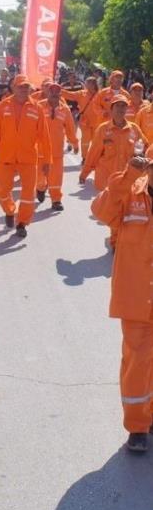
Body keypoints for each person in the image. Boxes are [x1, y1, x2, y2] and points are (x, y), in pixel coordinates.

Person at [91, 155, 153, 452]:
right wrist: (128, 175)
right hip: (136, 296)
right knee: (137, 362)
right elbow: (101, 211)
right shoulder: (130, 192)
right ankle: (137, 427)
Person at [0, 74, 52, 238]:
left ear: (30, 89)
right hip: (6, 157)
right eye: (20, 86)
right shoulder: (3, 106)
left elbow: (45, 136)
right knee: (1, 191)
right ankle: (9, 210)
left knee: (28, 194)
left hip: (28, 158)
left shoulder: (37, 108)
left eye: (26, 87)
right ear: (13, 88)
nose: (23, 89)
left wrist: (48, 160)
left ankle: (22, 223)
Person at [83, 95, 147, 249]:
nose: (120, 109)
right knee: (114, 211)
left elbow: (144, 148)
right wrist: (84, 172)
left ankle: (118, 239)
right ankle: (115, 241)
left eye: (123, 106)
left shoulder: (134, 129)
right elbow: (94, 152)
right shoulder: (103, 130)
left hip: (129, 179)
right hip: (108, 180)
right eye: (117, 106)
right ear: (111, 109)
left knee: (126, 210)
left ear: (127, 109)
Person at [36, 83, 79, 212]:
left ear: (60, 95)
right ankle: (41, 188)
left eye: (57, 94)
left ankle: (56, 200)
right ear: (48, 93)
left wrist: (74, 143)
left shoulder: (64, 109)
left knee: (56, 177)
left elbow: (70, 128)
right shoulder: (38, 107)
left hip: (57, 151)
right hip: (40, 150)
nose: (54, 96)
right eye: (52, 93)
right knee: (40, 177)